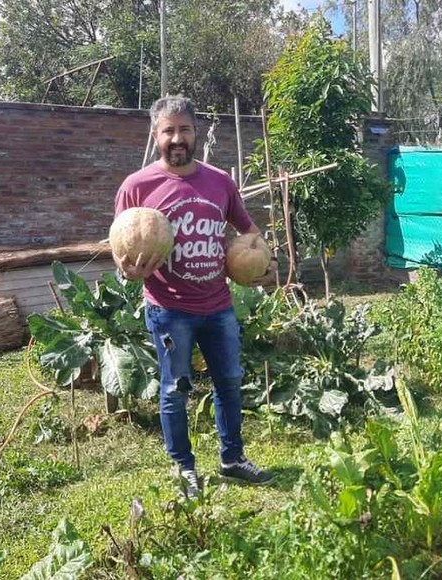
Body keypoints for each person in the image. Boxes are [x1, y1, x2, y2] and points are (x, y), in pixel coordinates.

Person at [112, 95, 276, 498]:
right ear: (156, 136)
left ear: (195, 132)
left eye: (184, 129)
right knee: (174, 389)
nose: (177, 138)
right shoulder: (136, 188)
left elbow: (249, 231)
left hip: (218, 304)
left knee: (230, 383)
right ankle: (184, 468)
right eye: (168, 130)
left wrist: (261, 263)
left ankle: (233, 459)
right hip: (169, 309)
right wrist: (127, 272)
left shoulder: (220, 182)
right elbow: (121, 251)